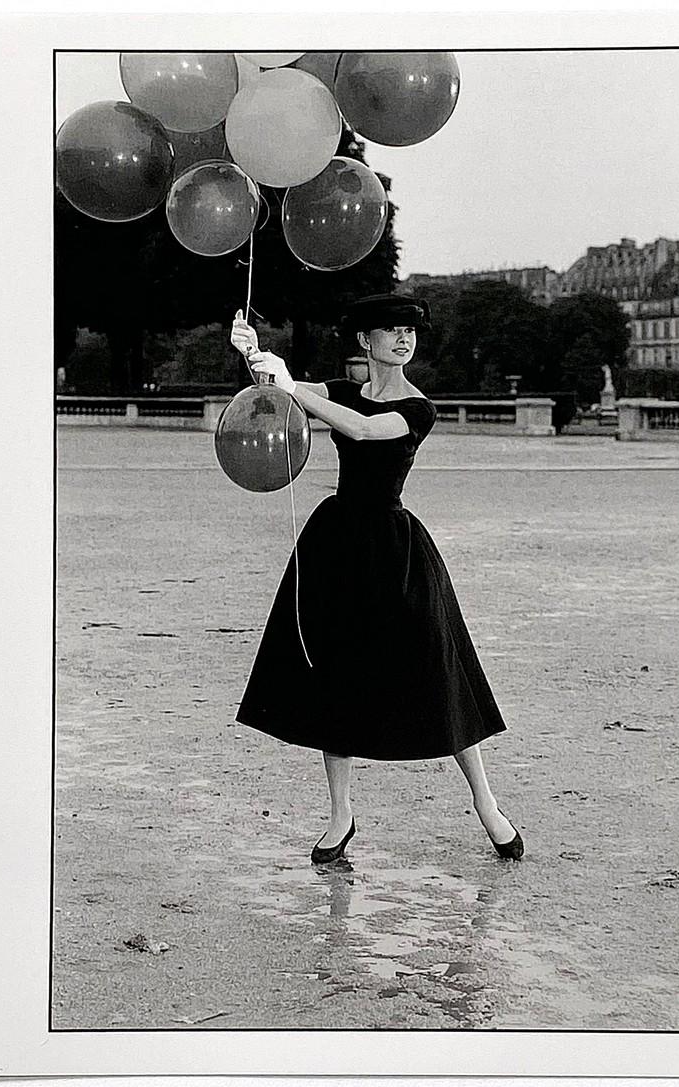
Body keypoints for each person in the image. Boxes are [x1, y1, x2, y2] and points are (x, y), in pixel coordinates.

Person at [229, 293, 524, 864]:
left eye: (410, 330)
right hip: (337, 544)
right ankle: (340, 815)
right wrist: (257, 357)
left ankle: (487, 804)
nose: (404, 338)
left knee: (437, 670)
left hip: (395, 549)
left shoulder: (418, 409)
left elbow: (363, 431)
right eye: (390, 330)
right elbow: (284, 396)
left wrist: (293, 386)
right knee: (333, 674)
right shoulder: (346, 391)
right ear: (366, 341)